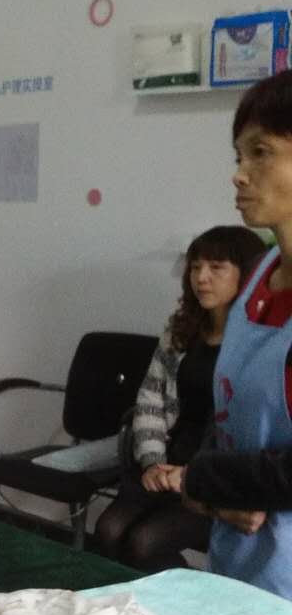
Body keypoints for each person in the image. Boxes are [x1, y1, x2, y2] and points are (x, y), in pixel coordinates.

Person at [179, 69, 292, 600]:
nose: (239, 175)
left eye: (261, 152)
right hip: (237, 569)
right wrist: (208, 492)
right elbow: (229, 410)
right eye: (238, 156)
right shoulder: (257, 276)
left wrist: (203, 478)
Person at [95, 227, 266, 570]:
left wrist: (190, 474)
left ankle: (185, 600)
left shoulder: (258, 341)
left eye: (216, 268)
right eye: (195, 267)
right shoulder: (180, 329)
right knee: (108, 530)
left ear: (246, 274)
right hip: (164, 460)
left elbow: (246, 427)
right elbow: (150, 399)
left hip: (211, 475)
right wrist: (152, 462)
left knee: (144, 543)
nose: (201, 278)